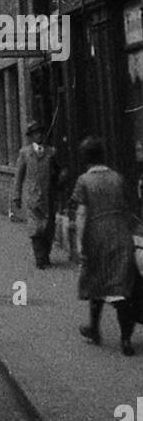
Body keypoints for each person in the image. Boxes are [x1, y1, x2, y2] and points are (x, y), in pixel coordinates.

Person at [71, 136, 137, 356]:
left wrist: (81, 244)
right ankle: (126, 340)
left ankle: (94, 329)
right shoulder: (117, 178)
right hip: (120, 236)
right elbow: (127, 207)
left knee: (96, 283)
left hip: (97, 238)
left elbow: (82, 214)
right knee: (121, 288)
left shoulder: (84, 181)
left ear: (85, 158)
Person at [10, 119, 61, 269]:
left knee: (48, 227)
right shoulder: (25, 153)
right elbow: (18, 176)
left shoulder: (51, 152)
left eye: (40, 133)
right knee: (35, 228)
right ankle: (40, 258)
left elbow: (57, 172)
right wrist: (16, 195)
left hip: (48, 196)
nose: (39, 136)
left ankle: (46, 255)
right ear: (31, 137)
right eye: (35, 134)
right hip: (33, 197)